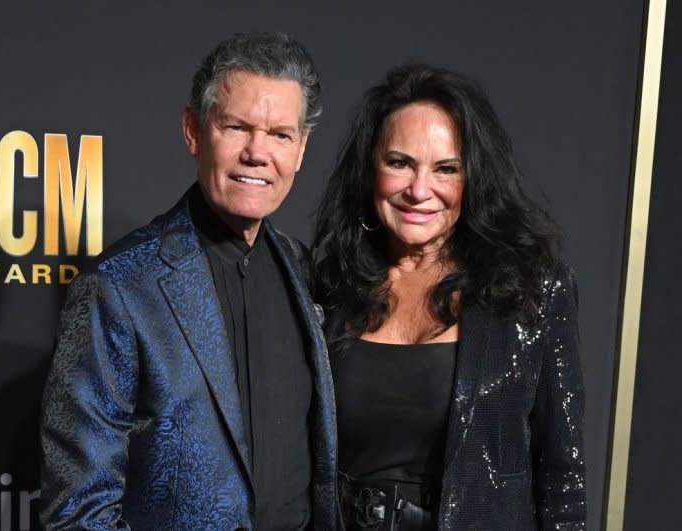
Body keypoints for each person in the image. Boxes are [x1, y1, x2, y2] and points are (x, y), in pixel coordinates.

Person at [40, 32, 337, 530]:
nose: (258, 153)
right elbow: (78, 507)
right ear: (193, 130)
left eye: (281, 134)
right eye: (237, 127)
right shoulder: (120, 285)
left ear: (301, 148)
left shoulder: (304, 272)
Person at [312, 63, 585, 530]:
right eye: (399, 163)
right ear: (369, 169)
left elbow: (563, 479)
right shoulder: (329, 288)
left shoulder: (533, 292)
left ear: (473, 178)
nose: (420, 190)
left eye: (446, 169)